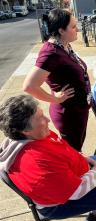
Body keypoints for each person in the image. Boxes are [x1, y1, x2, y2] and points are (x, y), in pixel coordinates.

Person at [0, 95, 96, 221]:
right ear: (25, 131)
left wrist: (84, 158)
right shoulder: (35, 161)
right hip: (61, 203)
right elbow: (76, 191)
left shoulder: (34, 135)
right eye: (40, 118)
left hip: (71, 173)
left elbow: (62, 149)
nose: (47, 120)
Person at [23, 8, 90, 151]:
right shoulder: (51, 52)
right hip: (69, 115)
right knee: (72, 152)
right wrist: (55, 98)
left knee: (76, 150)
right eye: (73, 27)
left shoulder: (64, 45)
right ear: (61, 30)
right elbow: (29, 86)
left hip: (78, 111)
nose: (77, 29)